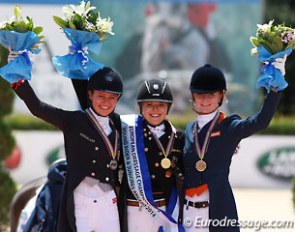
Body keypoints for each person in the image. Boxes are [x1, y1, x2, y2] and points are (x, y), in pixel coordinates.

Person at [7, 52, 124, 231]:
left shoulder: (118, 125)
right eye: (101, 96)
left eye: (112, 98)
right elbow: (39, 108)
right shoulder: (74, 121)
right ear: (90, 94)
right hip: (80, 201)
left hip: (108, 202)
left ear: (117, 100)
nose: (106, 102)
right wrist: (19, 79)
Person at [182, 61, 286, 232]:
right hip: (187, 214)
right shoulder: (188, 129)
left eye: (211, 94)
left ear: (222, 96)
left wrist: (274, 91)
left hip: (217, 213)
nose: (205, 99)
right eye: (200, 94)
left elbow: (260, 121)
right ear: (193, 96)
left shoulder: (229, 127)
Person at [119, 78, 185, 232]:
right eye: (149, 104)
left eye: (161, 105)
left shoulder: (178, 137)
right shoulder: (128, 132)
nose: (155, 110)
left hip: (163, 210)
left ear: (168, 108)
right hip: (135, 209)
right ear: (140, 107)